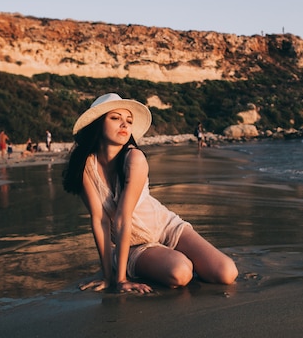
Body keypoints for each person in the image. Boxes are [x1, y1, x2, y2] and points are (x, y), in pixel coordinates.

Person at [63, 93, 238, 293]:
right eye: (115, 118)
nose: (124, 125)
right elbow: (100, 220)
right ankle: (125, 260)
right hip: (133, 245)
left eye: (128, 121)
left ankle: (167, 260)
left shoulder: (134, 158)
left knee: (226, 273)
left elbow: (123, 216)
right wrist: (114, 279)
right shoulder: (87, 165)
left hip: (166, 227)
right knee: (180, 273)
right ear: (98, 124)